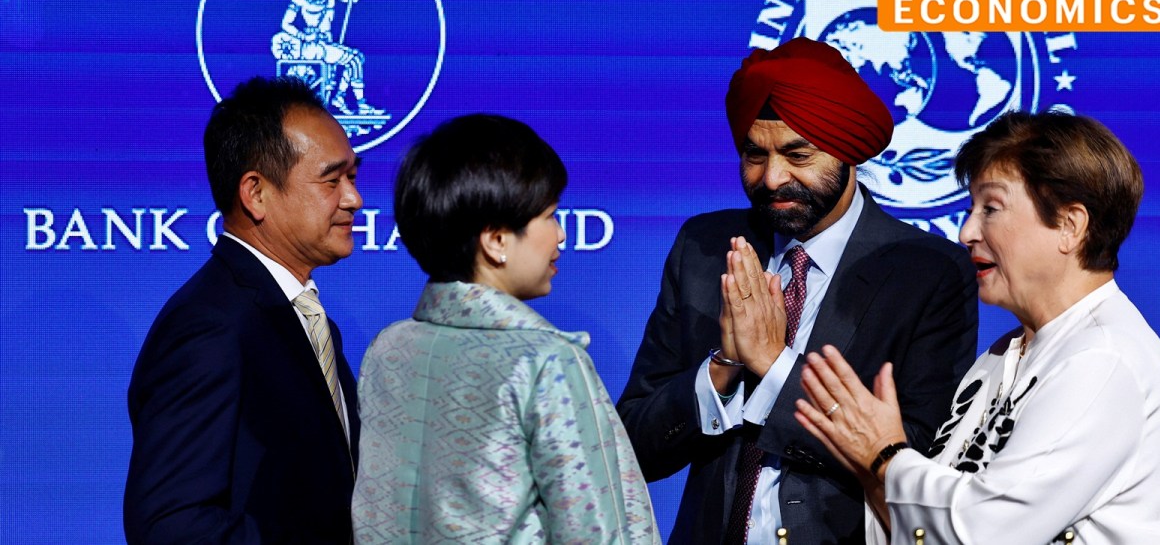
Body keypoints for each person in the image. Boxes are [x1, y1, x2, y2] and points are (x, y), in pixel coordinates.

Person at [617, 37, 979, 544]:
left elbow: (916, 461)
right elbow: (632, 446)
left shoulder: (926, 272)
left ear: (848, 150)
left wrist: (774, 365)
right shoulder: (705, 248)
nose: (771, 178)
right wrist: (723, 368)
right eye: (754, 154)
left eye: (797, 154)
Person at [795, 111, 1160, 543]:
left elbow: (985, 532)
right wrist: (872, 462)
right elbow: (928, 528)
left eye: (991, 208)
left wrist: (883, 454)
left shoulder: (1103, 359)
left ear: (1069, 225)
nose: (966, 231)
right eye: (971, 208)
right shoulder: (1002, 357)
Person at [352, 114, 660, 544]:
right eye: (550, 216)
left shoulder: (389, 348)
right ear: (496, 240)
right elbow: (596, 533)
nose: (561, 236)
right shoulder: (546, 362)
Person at [125, 76, 363, 543]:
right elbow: (170, 525)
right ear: (255, 193)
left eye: (352, 178)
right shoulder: (209, 326)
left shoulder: (306, 319)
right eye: (332, 180)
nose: (354, 199)